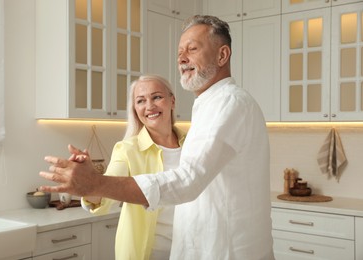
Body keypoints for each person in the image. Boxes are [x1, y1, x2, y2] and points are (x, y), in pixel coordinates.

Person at [40, 15, 274, 260]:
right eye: (180, 52)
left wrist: (94, 182)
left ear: (222, 55)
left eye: (192, 49)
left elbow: (188, 180)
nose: (182, 59)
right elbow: (105, 201)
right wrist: (92, 185)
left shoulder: (228, 102)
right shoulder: (208, 107)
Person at [81, 74, 186, 259]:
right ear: (135, 109)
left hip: (192, 250)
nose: (149, 106)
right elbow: (105, 198)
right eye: (140, 101)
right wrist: (89, 182)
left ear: (172, 101)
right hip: (150, 254)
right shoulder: (127, 150)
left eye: (157, 97)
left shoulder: (193, 144)